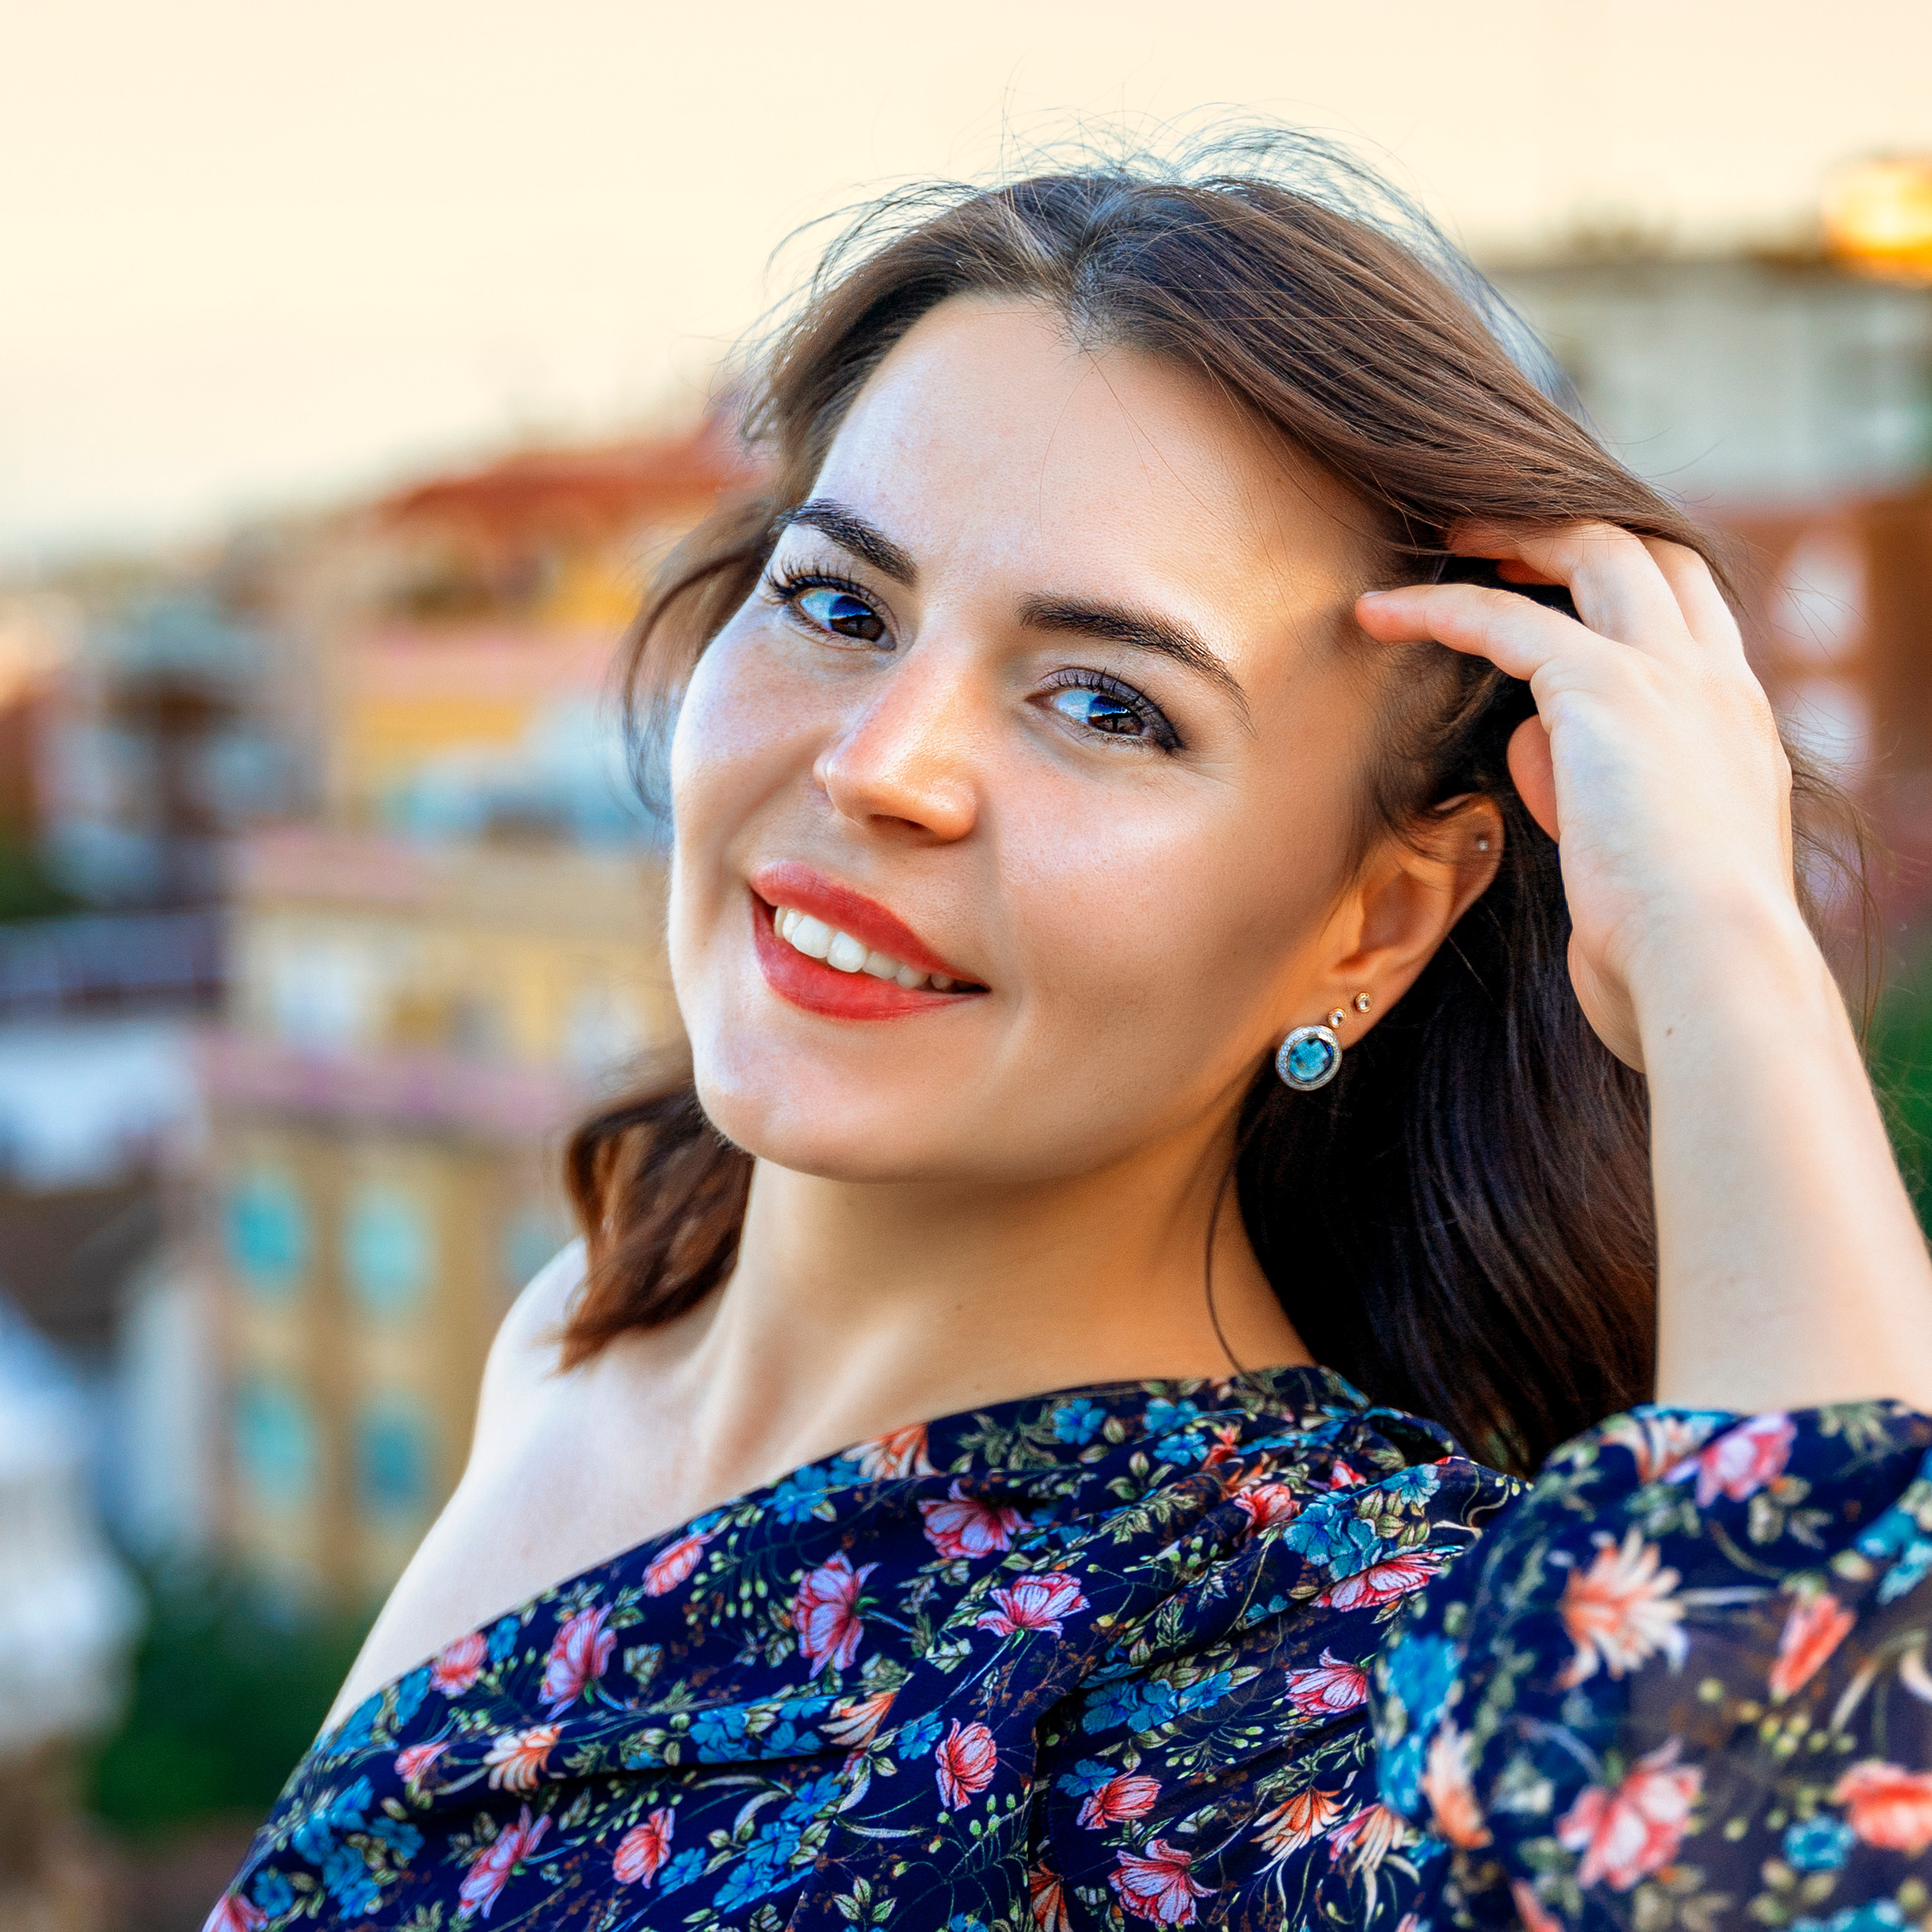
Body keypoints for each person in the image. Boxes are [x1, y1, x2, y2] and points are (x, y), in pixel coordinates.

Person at [210, 134, 1932, 1932]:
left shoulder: (1305, 1690)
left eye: (1106, 702)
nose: (880, 758)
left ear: (1377, 916)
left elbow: (1804, 1823)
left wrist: (1725, 948)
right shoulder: (587, 1320)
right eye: (838, 602)